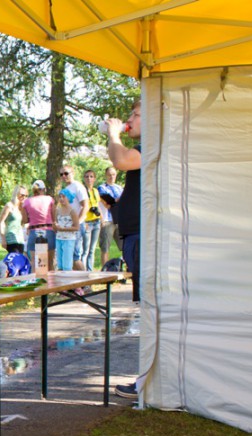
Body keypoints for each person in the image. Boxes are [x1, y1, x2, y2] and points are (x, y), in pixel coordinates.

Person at [105, 99, 142, 399]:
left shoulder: (148, 147)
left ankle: (146, 383)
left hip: (142, 238)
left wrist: (114, 134)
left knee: (150, 311)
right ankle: (146, 380)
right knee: (147, 309)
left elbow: (120, 160)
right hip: (134, 238)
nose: (129, 118)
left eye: (135, 114)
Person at [20, 180, 55, 270]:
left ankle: (36, 282)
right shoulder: (49, 199)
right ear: (44, 189)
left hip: (34, 231)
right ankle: (52, 283)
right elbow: (54, 217)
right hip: (48, 230)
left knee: (36, 262)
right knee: (50, 262)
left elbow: (24, 220)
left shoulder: (27, 202)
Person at [58, 164, 88, 267]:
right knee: (69, 257)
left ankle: (86, 283)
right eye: (61, 174)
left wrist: (78, 222)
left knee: (75, 257)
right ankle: (77, 282)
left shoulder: (77, 186)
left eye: (66, 173)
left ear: (73, 173)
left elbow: (85, 205)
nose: (63, 176)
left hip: (76, 226)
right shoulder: (67, 188)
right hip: (67, 226)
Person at [97, 166, 123, 266]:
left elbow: (122, 202)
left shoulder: (119, 188)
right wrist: (116, 201)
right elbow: (108, 202)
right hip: (107, 221)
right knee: (105, 248)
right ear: (105, 175)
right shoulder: (102, 187)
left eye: (113, 174)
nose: (111, 177)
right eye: (109, 175)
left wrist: (115, 202)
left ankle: (123, 268)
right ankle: (104, 271)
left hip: (119, 220)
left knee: (124, 247)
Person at [53, 188, 80, 271]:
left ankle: (68, 280)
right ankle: (60, 281)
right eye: (60, 197)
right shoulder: (57, 210)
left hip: (69, 239)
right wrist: (55, 226)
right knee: (60, 264)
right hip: (59, 238)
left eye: (63, 197)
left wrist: (64, 229)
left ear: (68, 198)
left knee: (67, 264)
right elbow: (55, 224)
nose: (61, 199)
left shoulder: (72, 211)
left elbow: (77, 227)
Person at [80, 169, 102, 270]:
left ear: (94, 178)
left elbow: (97, 205)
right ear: (84, 179)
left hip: (96, 221)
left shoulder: (96, 191)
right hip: (87, 222)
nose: (89, 178)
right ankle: (83, 273)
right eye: (87, 176)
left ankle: (90, 271)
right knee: (85, 250)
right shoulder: (82, 191)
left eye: (91, 176)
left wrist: (102, 218)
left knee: (92, 250)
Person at [0, 185, 26, 255]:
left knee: (19, 262)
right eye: (22, 195)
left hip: (20, 240)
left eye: (25, 195)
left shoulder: (21, 208)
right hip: (11, 239)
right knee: (14, 261)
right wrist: (3, 238)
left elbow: (23, 222)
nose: (24, 197)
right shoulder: (9, 206)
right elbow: (0, 222)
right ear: (17, 194)